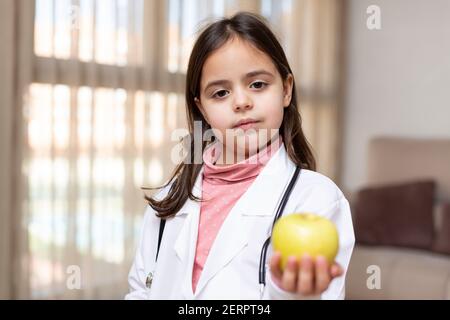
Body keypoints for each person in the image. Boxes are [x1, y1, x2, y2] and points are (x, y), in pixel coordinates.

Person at [125, 12, 354, 300]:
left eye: (257, 85)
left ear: (285, 90)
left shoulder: (316, 200)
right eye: (220, 93)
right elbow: (141, 291)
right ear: (202, 109)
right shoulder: (169, 200)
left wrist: (298, 293)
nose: (242, 102)